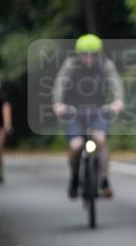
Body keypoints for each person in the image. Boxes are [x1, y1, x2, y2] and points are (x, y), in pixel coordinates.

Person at [52, 34, 124, 198]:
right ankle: (74, 177)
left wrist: (118, 101)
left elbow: (115, 83)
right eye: (85, 54)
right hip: (75, 111)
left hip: (98, 110)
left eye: (93, 54)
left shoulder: (105, 65)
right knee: (76, 145)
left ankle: (104, 179)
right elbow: (60, 84)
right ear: (79, 54)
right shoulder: (71, 65)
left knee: (100, 139)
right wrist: (58, 103)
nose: (89, 58)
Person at [0, 81, 11, 183]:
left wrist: (7, 124)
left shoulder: (2, 97)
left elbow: (6, 109)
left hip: (0, 126)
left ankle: (0, 171)